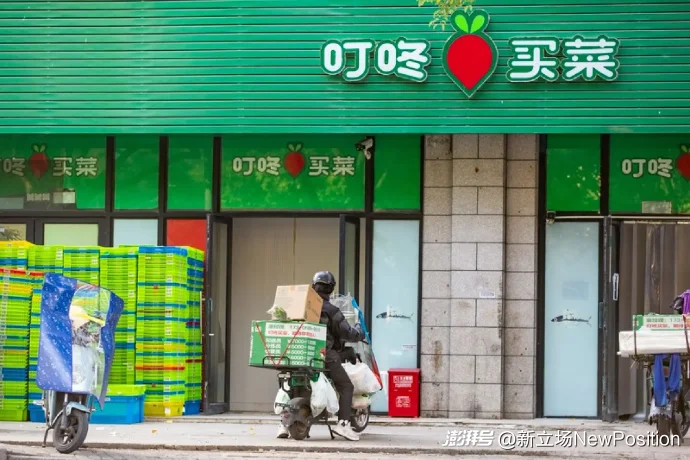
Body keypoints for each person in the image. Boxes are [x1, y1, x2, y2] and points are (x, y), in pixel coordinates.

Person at [277, 270, 365, 441]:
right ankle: (343, 424)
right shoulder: (331, 310)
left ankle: (283, 424)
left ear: (313, 286)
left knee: (291, 384)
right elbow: (348, 333)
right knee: (346, 386)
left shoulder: (300, 305)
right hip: (324, 355)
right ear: (331, 289)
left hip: (297, 352)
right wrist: (359, 331)